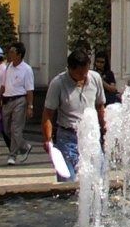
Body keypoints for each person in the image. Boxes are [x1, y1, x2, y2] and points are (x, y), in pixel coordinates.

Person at [43, 49, 108, 179]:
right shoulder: (58, 83)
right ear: (70, 69)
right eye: (79, 73)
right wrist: (48, 139)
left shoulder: (95, 78)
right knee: (68, 180)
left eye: (86, 71)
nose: (84, 76)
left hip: (90, 136)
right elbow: (48, 114)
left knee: (97, 179)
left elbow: (100, 105)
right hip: (67, 137)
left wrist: (105, 128)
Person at [0, 42, 36, 164]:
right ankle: (25, 146)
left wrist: (30, 106)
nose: (10, 54)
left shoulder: (27, 69)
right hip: (7, 100)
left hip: (20, 100)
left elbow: (29, 89)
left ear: (19, 55)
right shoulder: (8, 67)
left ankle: (12, 155)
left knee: (16, 129)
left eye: (12, 52)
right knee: (7, 129)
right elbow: (3, 85)